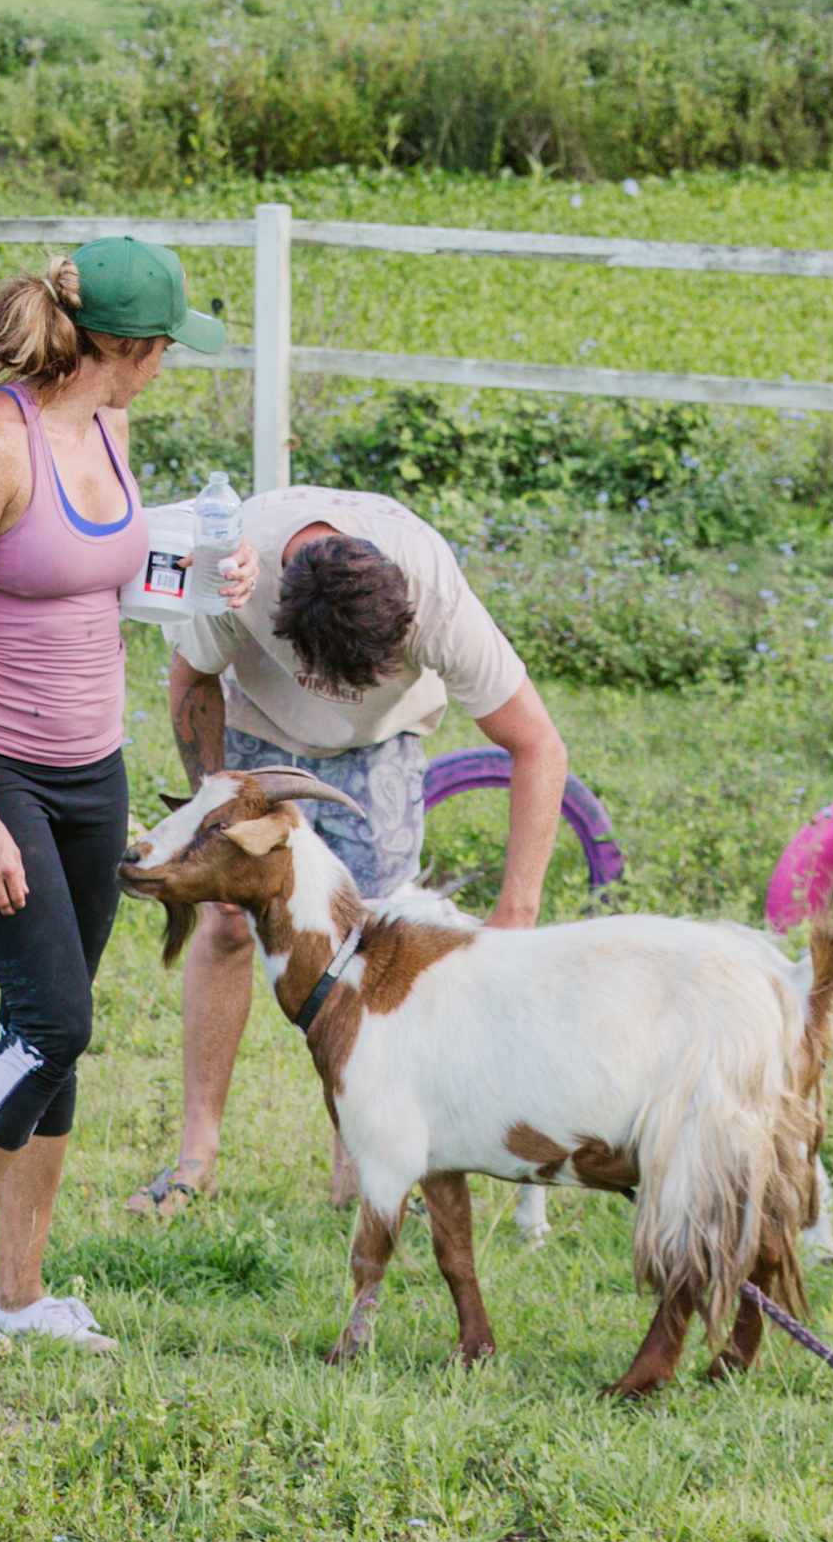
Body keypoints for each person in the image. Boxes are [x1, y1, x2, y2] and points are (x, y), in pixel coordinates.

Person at [0, 231, 235, 1359]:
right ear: (125, 347)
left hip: (94, 767)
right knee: (50, 1019)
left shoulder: (109, 425)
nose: (169, 365)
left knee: (60, 1036)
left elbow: (107, 569)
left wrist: (202, 568)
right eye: (165, 348)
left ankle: (25, 1292)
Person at [128, 483, 569, 1218]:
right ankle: (195, 1158)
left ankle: (365, 1162)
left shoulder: (433, 593)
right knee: (226, 925)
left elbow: (537, 744)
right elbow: (191, 677)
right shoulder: (238, 563)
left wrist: (517, 912)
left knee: (372, 941)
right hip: (261, 733)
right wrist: (211, 804)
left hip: (379, 749)